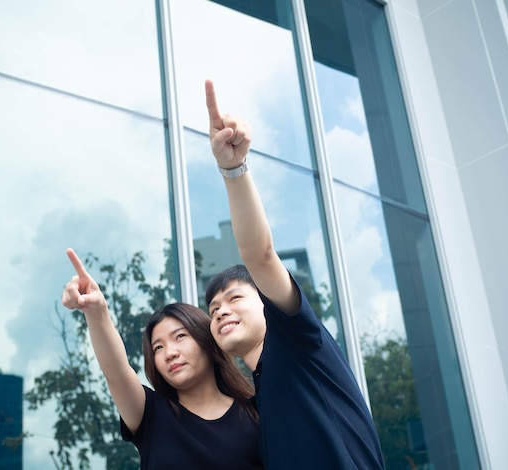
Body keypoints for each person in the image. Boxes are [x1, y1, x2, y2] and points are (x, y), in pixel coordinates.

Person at [204, 79, 386, 469]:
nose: (219, 311)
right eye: (214, 307)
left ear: (268, 306)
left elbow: (261, 255)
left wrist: (233, 169)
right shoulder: (259, 402)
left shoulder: (297, 344)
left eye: (234, 298)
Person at [61, 248, 263, 469]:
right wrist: (96, 310)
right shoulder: (151, 414)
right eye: (158, 347)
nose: (170, 353)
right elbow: (116, 372)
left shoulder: (256, 414)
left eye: (180, 336)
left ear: (208, 341)